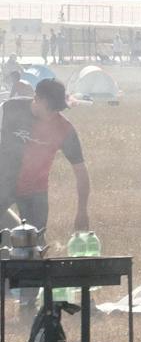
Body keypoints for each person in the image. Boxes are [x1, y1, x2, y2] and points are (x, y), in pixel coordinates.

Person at [0, 78, 90, 236]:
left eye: (57, 109)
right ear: (37, 98)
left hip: (35, 192)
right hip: (3, 184)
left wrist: (82, 211)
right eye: (50, 109)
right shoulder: (9, 109)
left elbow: (81, 171)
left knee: (34, 245)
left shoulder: (65, 129)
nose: (53, 115)